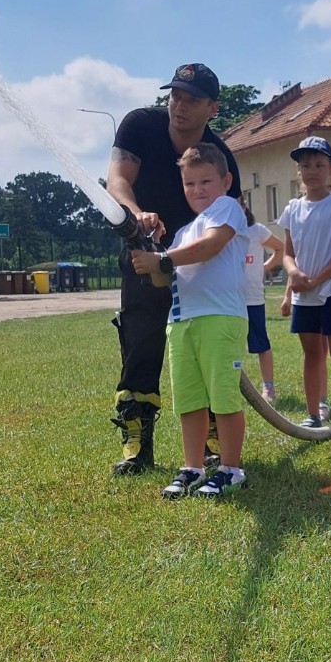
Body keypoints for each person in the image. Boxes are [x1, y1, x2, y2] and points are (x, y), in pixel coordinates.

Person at [106, 62, 241, 475]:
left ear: (213, 108)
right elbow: (117, 180)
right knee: (142, 344)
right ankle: (137, 442)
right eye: (175, 95)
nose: (179, 106)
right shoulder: (140, 126)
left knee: (208, 356)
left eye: (192, 99)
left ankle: (216, 440)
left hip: (199, 273)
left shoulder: (219, 157)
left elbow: (226, 226)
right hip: (143, 254)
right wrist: (137, 215)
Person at [131, 144, 249, 498]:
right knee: (189, 400)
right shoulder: (183, 233)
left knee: (224, 398)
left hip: (220, 319)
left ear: (226, 181)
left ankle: (230, 468)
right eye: (190, 183)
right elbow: (162, 280)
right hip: (181, 322)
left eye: (206, 181)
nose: (198, 190)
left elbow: (210, 247)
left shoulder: (228, 209)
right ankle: (193, 466)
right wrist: (151, 247)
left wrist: (162, 259)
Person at [279, 137, 331, 431]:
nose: (312, 171)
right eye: (305, 165)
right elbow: (287, 252)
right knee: (312, 353)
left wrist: (318, 279)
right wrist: (294, 273)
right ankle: (313, 414)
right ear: (298, 170)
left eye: (319, 165)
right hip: (303, 294)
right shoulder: (292, 209)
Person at [242, 200, 283, 403]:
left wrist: (263, 268)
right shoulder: (221, 232)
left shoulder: (256, 231)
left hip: (252, 298)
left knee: (260, 343)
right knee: (228, 346)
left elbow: (280, 249)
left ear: (244, 204)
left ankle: (269, 387)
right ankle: (231, 387)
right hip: (228, 300)